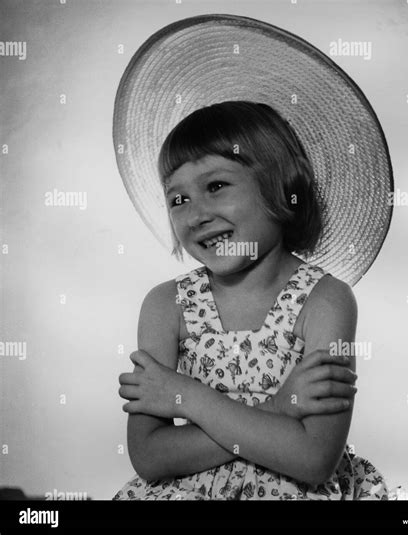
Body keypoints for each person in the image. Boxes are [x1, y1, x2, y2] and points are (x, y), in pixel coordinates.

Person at [112, 101, 389, 500]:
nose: (195, 216)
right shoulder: (166, 305)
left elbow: (312, 459)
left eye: (215, 186)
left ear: (281, 185)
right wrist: (277, 411)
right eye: (178, 199)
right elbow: (150, 457)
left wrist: (184, 395)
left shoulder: (325, 300)